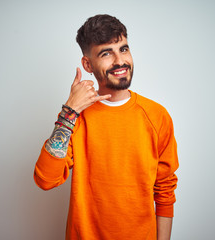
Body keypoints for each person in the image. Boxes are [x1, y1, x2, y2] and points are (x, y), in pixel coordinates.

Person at [34, 14, 179, 240]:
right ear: (87, 64)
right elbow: (45, 179)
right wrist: (68, 113)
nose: (120, 61)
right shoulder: (76, 119)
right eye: (106, 53)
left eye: (123, 49)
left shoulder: (157, 116)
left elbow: (165, 191)